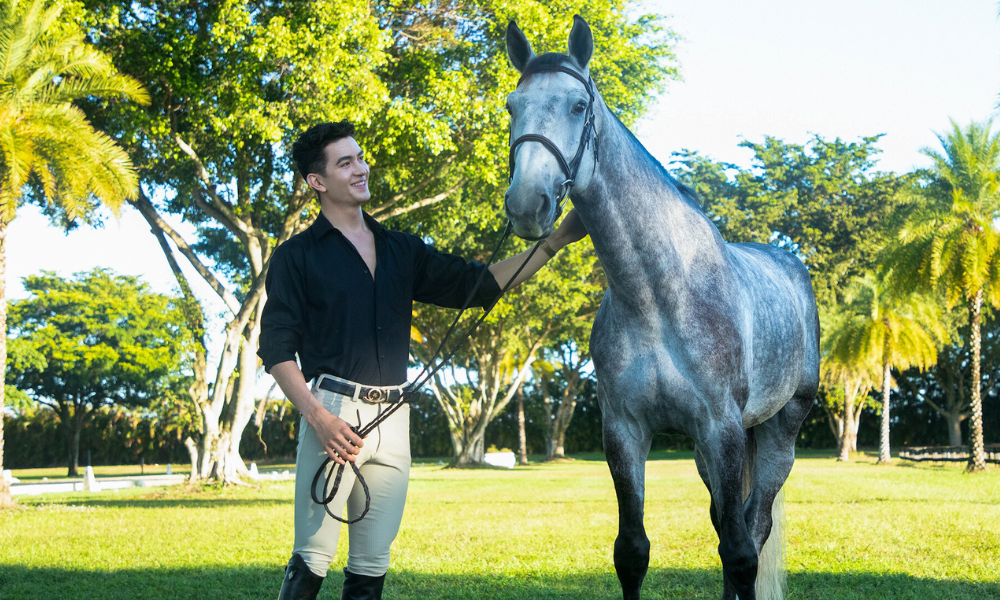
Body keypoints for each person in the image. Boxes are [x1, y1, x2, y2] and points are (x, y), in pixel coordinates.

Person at [258, 120, 588, 600]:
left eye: (360, 157)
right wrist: (319, 417)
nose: (360, 168)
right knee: (311, 560)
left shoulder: (401, 249)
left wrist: (554, 242)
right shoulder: (296, 256)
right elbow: (277, 348)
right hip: (334, 415)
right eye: (345, 162)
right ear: (317, 181)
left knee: (371, 568)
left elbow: (478, 286)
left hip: (394, 419)